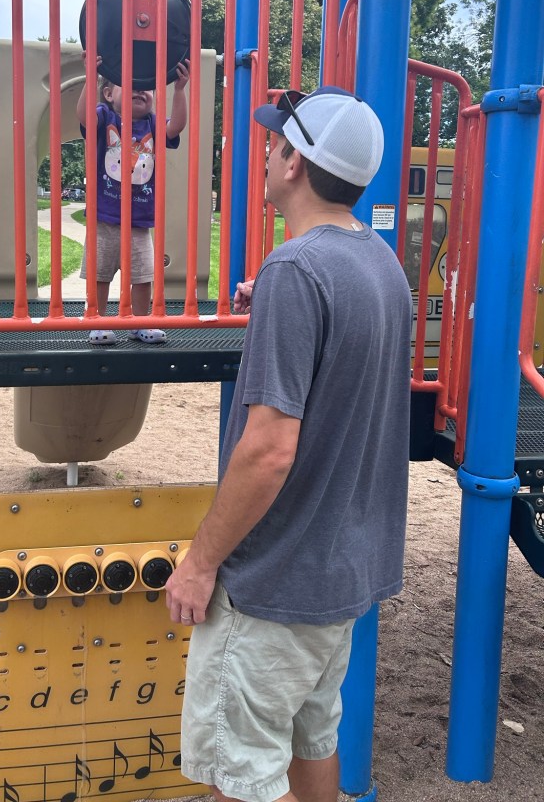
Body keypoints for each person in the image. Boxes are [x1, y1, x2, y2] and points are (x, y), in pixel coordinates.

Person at [165, 86, 412, 802]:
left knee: (240, 770)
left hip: (275, 580)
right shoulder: (381, 264)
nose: (267, 155)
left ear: (294, 162)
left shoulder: (296, 271)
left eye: (275, 144)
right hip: (341, 569)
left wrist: (200, 563)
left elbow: (269, 451)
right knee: (312, 737)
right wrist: (273, 304)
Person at [76, 54, 190, 345]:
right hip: (104, 220)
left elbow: (176, 127)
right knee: (100, 276)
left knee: (143, 277)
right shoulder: (105, 116)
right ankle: (98, 321)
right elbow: (84, 117)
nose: (140, 89)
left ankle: (140, 322)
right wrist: (90, 78)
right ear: (108, 93)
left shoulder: (152, 124)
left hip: (138, 223)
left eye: (146, 86)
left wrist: (179, 90)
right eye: (129, 84)